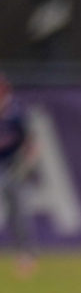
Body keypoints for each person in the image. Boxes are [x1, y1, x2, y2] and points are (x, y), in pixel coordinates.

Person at [0, 75, 35, 278]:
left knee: (19, 213)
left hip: (13, 167)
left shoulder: (16, 114)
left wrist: (25, 164)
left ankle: (26, 255)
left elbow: (30, 143)